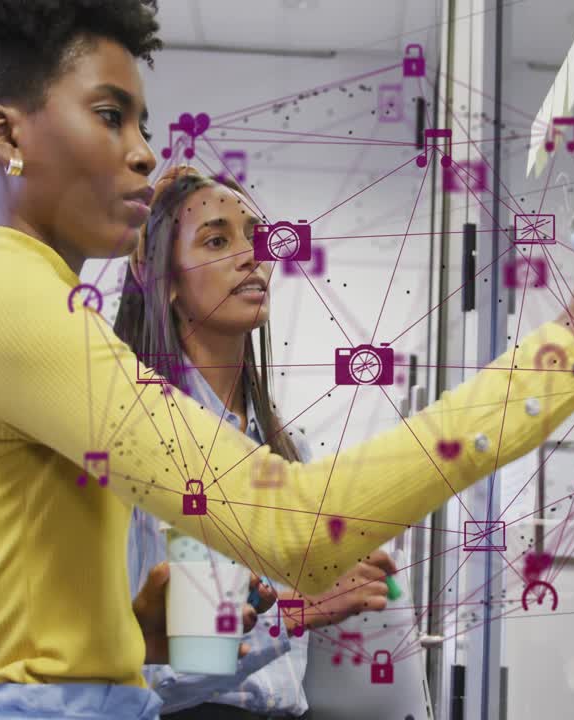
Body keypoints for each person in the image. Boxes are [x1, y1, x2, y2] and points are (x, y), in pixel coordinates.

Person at [0, 0, 574, 718]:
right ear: (7, 135)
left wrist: (134, 631)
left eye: (143, 125)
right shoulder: (9, 303)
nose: (141, 151)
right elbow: (304, 533)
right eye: (109, 115)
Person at [116, 165, 397, 719]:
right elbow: (138, 671)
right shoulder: (144, 443)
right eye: (217, 240)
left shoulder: (288, 451)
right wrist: (296, 610)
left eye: (255, 236)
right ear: (165, 282)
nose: (252, 256)